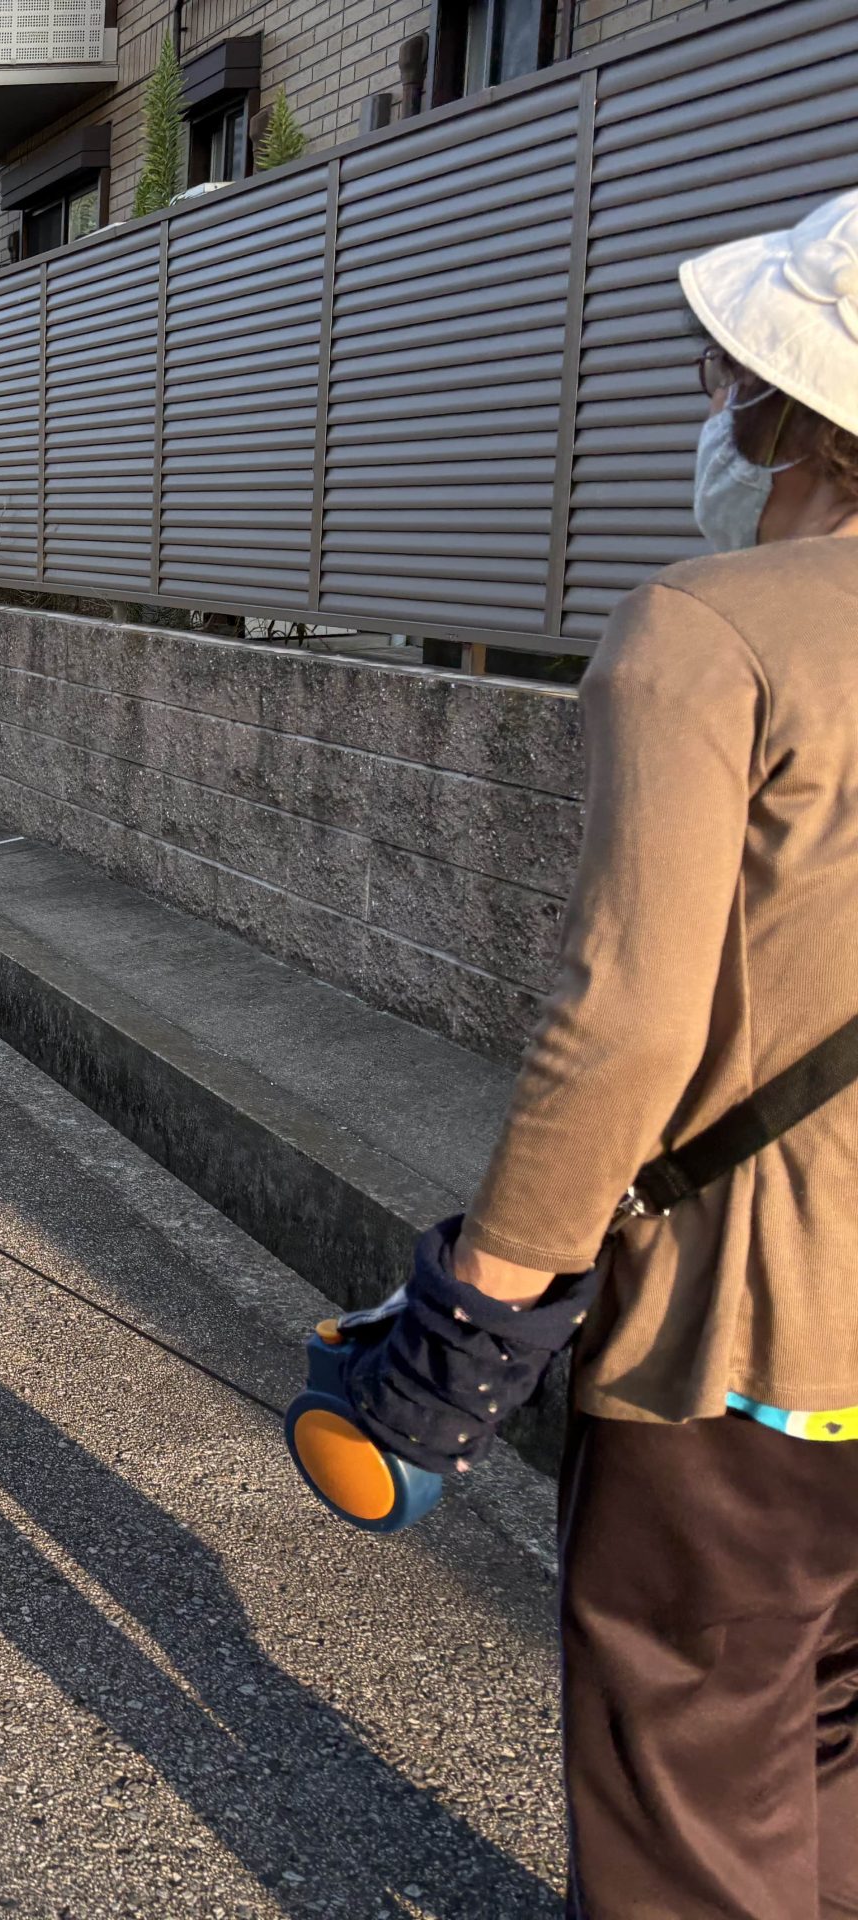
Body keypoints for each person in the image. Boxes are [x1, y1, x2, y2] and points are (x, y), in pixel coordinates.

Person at [452, 187, 858, 1914]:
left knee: (696, 1796)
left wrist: (477, 1308)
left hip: (757, 1350)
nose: (716, 407)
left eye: (727, 374)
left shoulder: (714, 631)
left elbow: (625, 1020)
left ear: (790, 405)